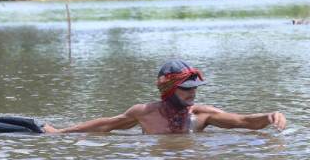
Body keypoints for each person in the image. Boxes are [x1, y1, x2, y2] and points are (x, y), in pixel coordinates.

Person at [43, 59, 286, 135]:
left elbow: (243, 121)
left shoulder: (201, 115)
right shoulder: (144, 113)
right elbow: (106, 124)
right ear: (168, 90)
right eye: (186, 88)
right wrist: (62, 133)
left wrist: (268, 116)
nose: (192, 93)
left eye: (194, 88)